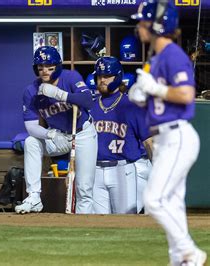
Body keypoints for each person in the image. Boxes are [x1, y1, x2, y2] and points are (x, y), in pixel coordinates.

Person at [129, 0, 207, 264]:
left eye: (143, 22)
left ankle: (189, 250)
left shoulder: (172, 55)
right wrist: (142, 95)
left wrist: (156, 90)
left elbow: (186, 94)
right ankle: (182, 260)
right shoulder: (157, 57)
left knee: (153, 200)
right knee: (172, 203)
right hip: (165, 136)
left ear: (156, 25)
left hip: (177, 135)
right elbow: (154, 96)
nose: (139, 27)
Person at [15, 46, 97, 214]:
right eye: (41, 66)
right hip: (58, 136)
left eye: (49, 66)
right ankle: (34, 197)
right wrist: (50, 134)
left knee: (84, 188)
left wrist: (60, 94)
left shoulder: (70, 77)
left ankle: (83, 222)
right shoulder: (31, 91)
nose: (44, 70)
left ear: (57, 66)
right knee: (31, 142)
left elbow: (88, 101)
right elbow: (31, 127)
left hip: (82, 133)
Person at [89, 56, 152, 214]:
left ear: (117, 77)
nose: (102, 80)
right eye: (99, 76)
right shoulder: (90, 105)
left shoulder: (133, 105)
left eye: (106, 76)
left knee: (126, 223)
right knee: (97, 225)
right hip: (94, 170)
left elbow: (149, 142)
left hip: (123, 169)